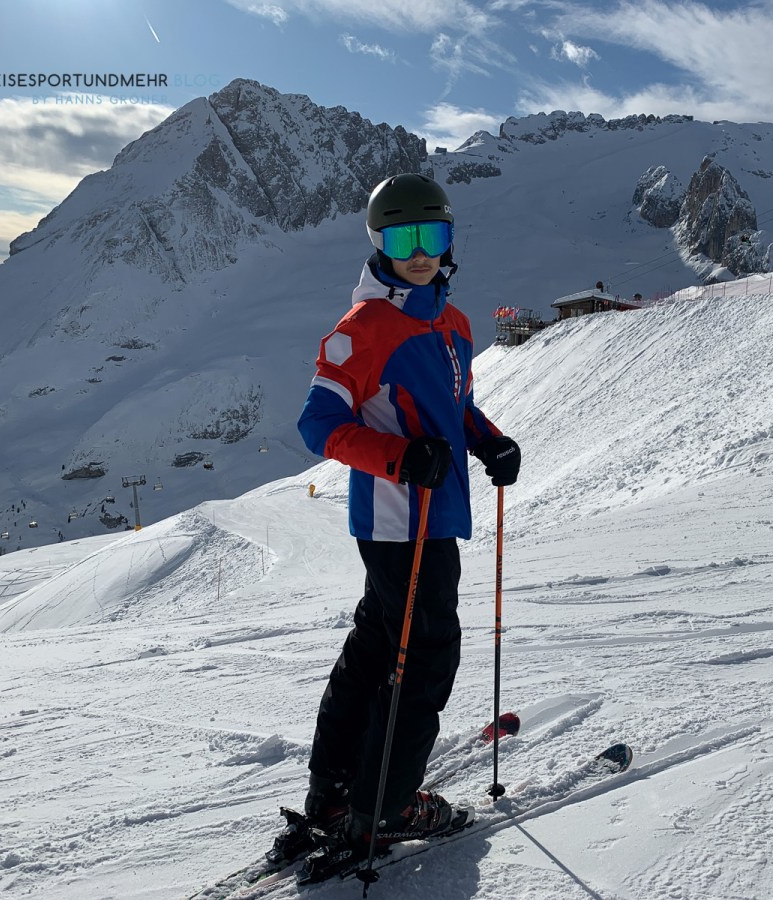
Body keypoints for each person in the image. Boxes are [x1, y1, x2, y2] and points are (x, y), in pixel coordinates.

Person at [295, 172, 521, 871]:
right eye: (402, 239)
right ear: (379, 243)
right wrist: (398, 458)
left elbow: (454, 408)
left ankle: (336, 794)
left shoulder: (452, 323)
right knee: (424, 656)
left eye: (433, 235)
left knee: (377, 646)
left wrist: (489, 441)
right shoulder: (361, 331)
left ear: (449, 240)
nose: (420, 253)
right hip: (398, 522)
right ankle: (385, 807)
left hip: (437, 512)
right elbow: (318, 425)